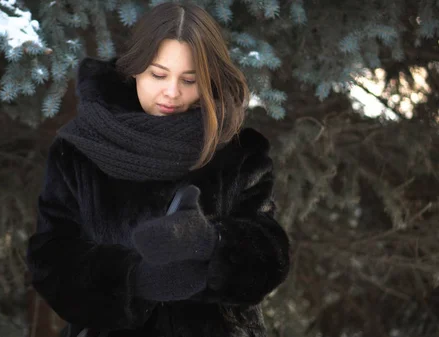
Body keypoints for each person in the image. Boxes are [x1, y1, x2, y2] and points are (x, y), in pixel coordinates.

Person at [26, 2, 291, 337]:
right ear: (134, 68)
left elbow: (272, 257)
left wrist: (212, 242)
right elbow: (51, 259)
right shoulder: (78, 151)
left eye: (190, 80)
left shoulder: (238, 154)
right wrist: (134, 280)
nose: (172, 92)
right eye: (158, 74)